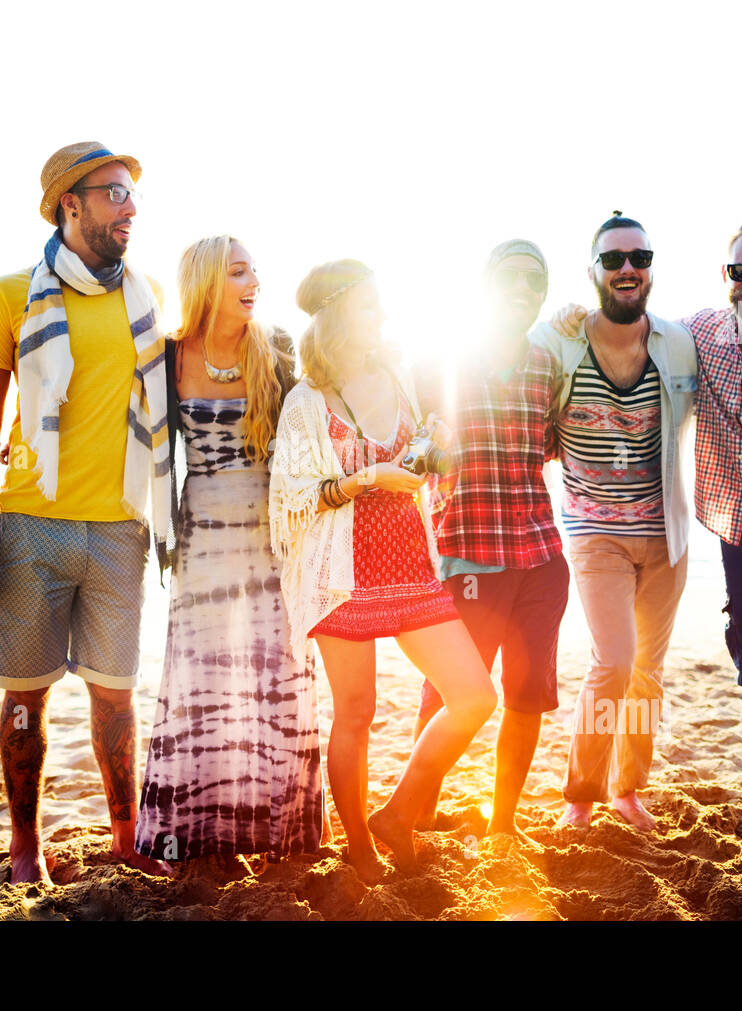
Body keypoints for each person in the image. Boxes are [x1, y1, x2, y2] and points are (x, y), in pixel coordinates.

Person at [553, 217, 742, 881]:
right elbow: (630, 325)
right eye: (740, 271)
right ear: (725, 275)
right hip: (736, 545)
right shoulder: (703, 337)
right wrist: (576, 314)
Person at [0, 141, 171, 882]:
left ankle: (125, 835)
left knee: (117, 693)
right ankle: (24, 849)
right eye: (114, 193)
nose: (131, 207)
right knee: (26, 697)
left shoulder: (146, 299)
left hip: (119, 526)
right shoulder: (9, 295)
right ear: (68, 204)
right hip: (32, 523)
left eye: (132, 194)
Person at [268, 260, 497, 882]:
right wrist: (364, 479)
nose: (384, 317)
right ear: (341, 312)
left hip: (410, 564)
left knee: (476, 696)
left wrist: (434, 444)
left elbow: (423, 454)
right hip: (341, 574)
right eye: (371, 306)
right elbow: (290, 494)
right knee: (358, 710)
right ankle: (361, 849)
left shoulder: (398, 374)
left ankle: (397, 813)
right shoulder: (306, 401)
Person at [133, 236, 324, 865]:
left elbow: (323, 402)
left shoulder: (278, 350)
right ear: (208, 282)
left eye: (254, 271)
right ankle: (202, 835)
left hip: (274, 536)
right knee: (204, 678)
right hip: (203, 531)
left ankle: (283, 835)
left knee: (278, 674)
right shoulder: (164, 356)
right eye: (238, 271)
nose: (253, 282)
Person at [531, 216, 695, 832]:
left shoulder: (679, 343)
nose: (628, 268)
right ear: (594, 271)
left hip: (667, 534)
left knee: (647, 672)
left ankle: (628, 789)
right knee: (615, 662)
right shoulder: (558, 340)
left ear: (650, 266)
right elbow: (512, 381)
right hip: (593, 531)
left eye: (639, 256)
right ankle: (581, 793)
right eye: (613, 259)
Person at [411, 240, 570, 841]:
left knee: (527, 697)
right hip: (465, 552)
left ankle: (502, 827)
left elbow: (553, 444)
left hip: (540, 555)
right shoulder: (438, 362)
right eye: (511, 277)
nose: (524, 289)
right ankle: (418, 811)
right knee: (450, 689)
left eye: (536, 280)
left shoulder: (547, 365)